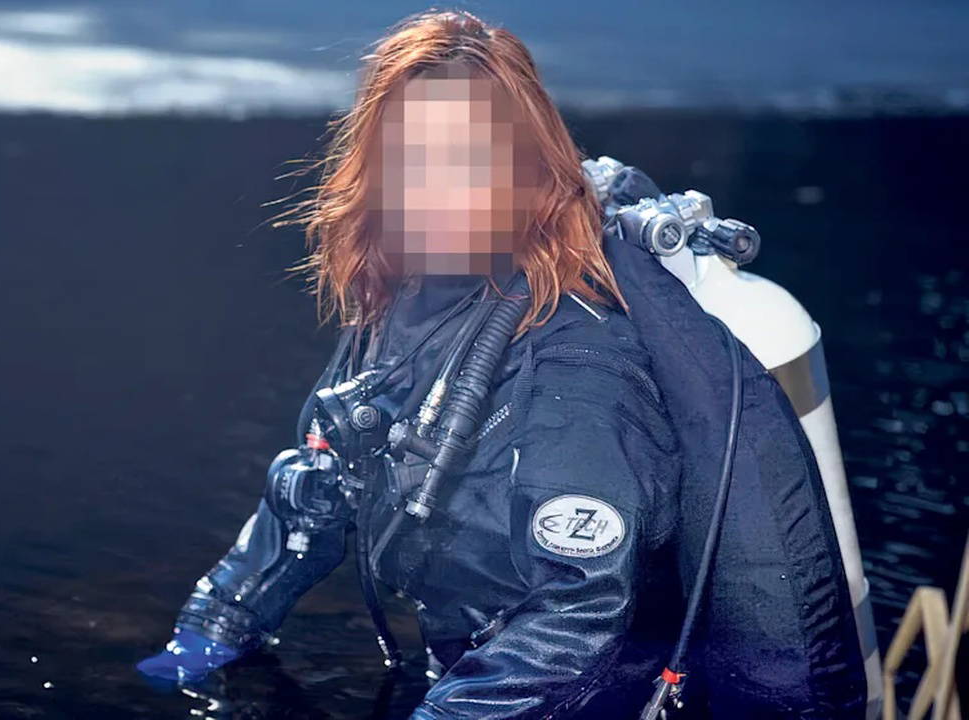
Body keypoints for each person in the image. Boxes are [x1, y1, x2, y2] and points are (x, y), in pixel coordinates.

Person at [138, 9, 868, 719]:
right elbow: (318, 485)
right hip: (467, 676)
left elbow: (576, 617)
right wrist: (208, 633)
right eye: (412, 157)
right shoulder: (410, 307)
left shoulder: (579, 361)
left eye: (469, 160)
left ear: (531, 174)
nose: (436, 190)